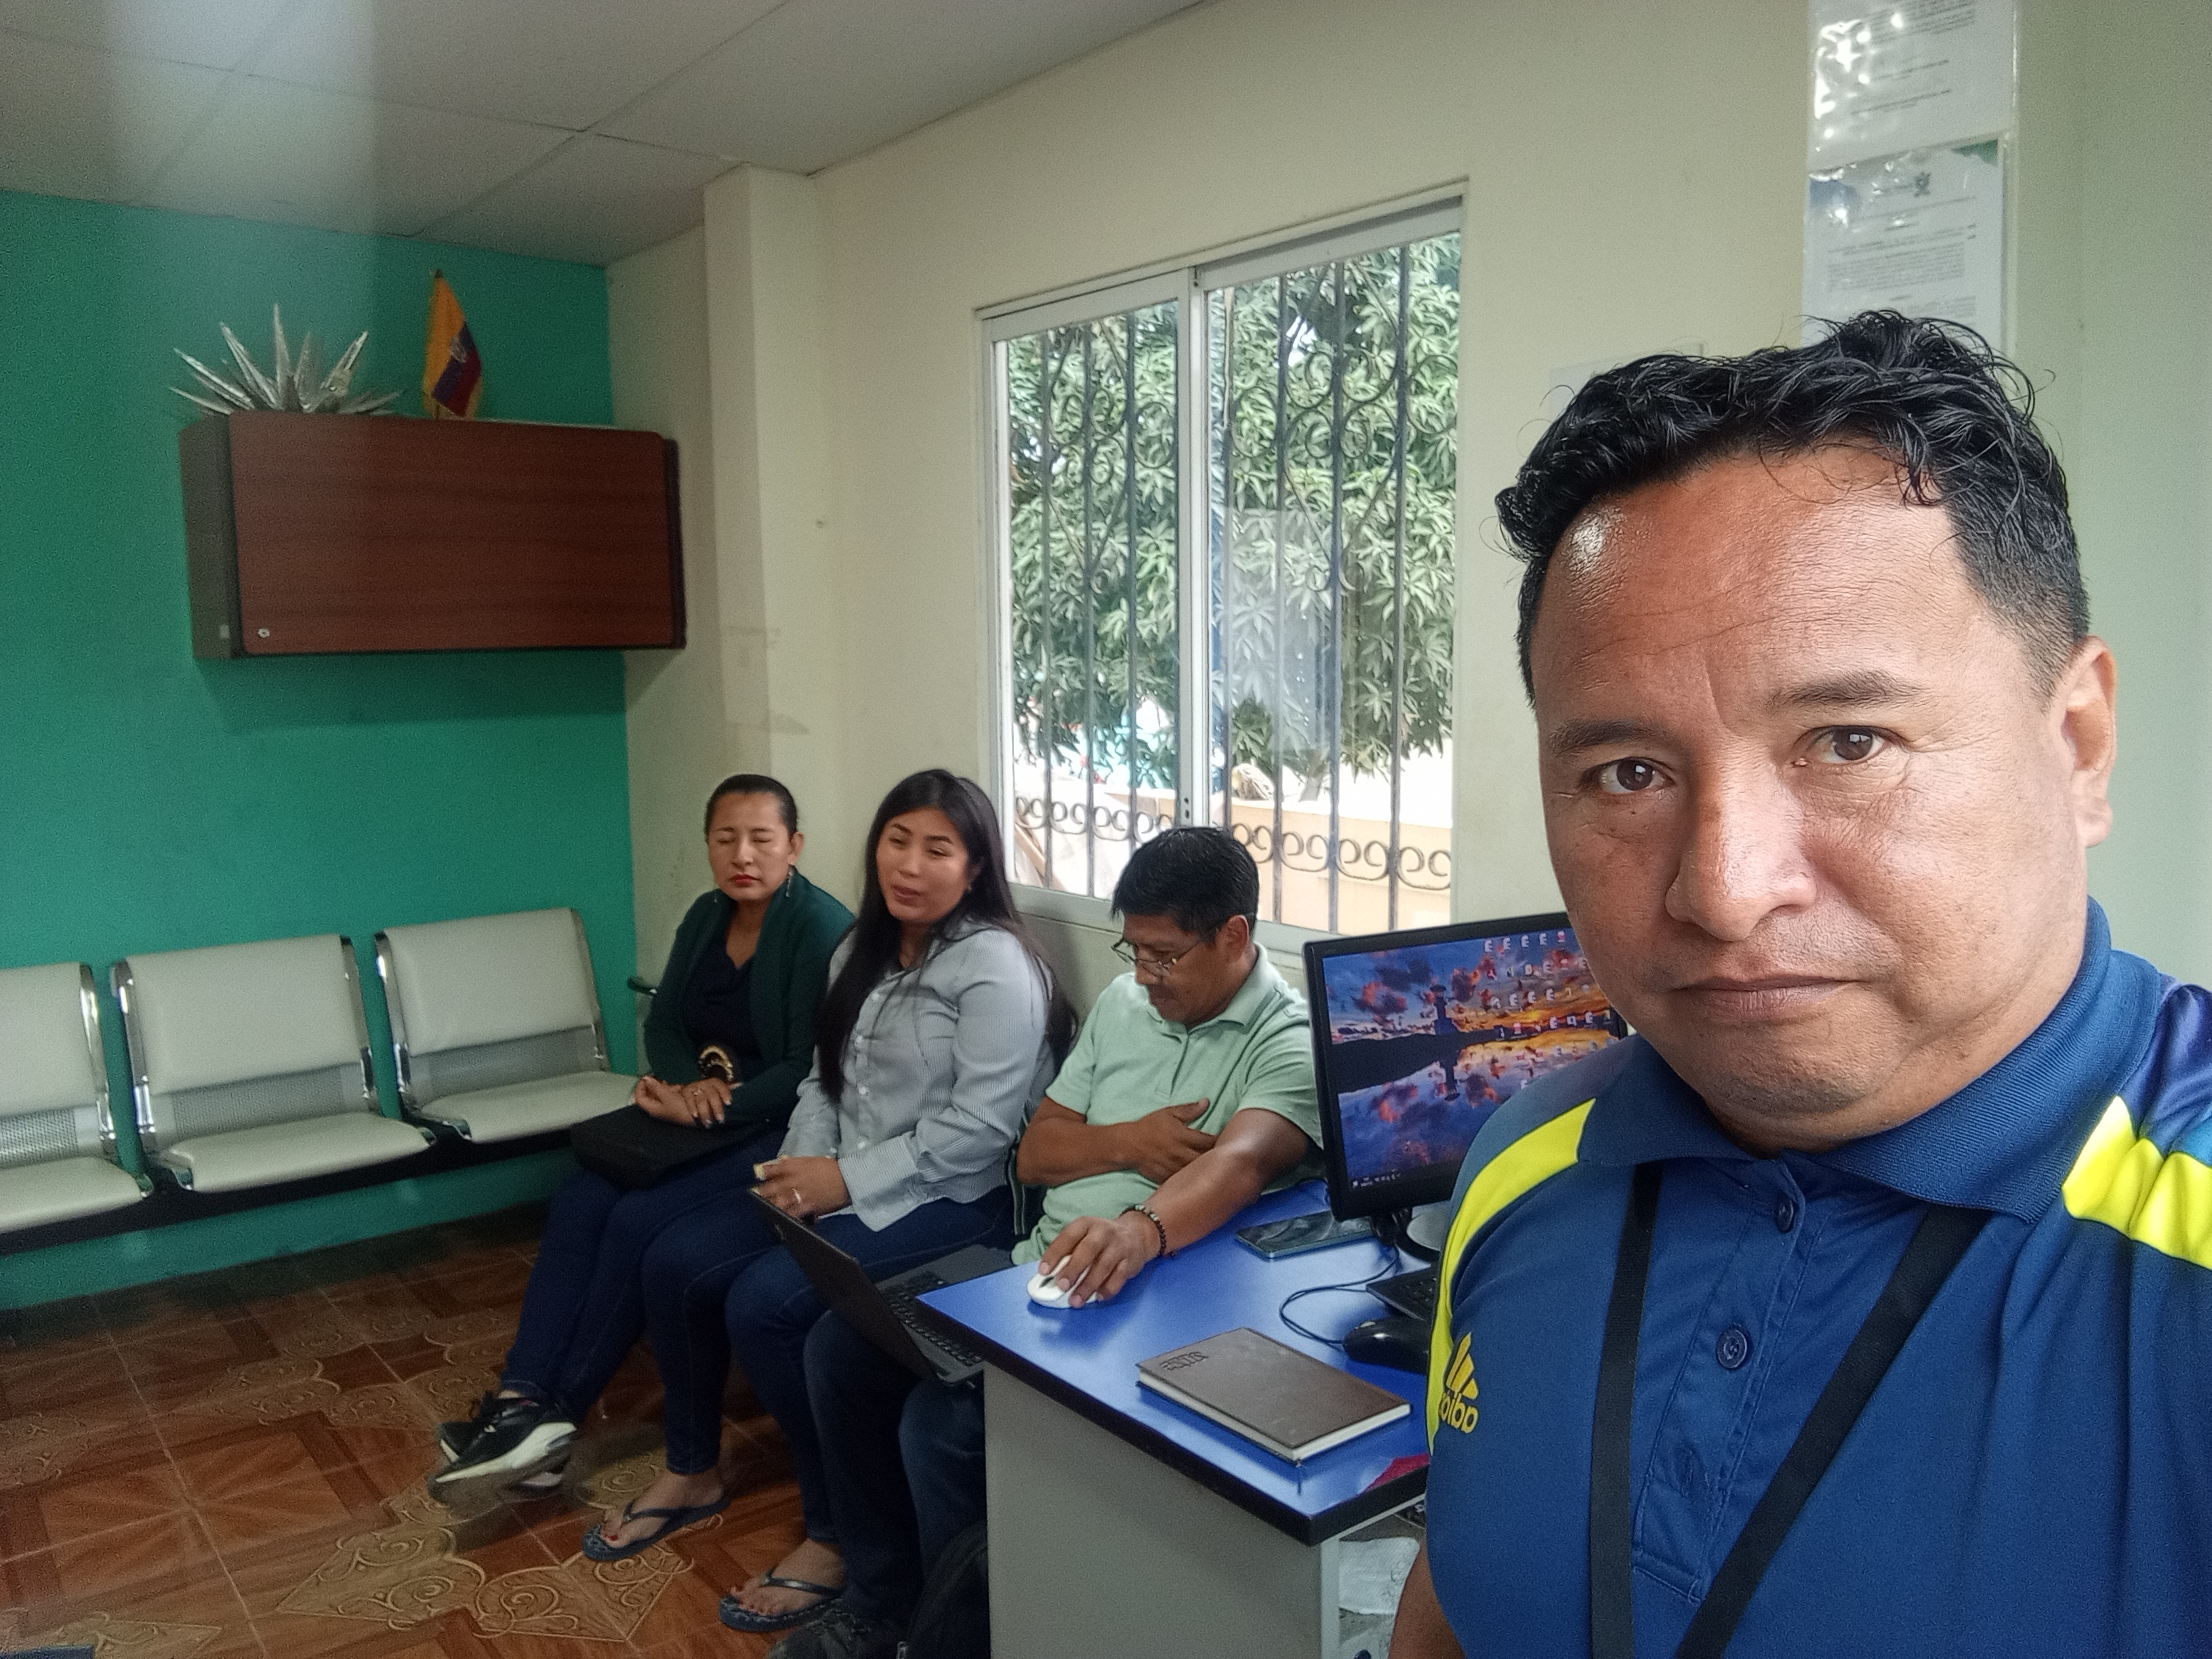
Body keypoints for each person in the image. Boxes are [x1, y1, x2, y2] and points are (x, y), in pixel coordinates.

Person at [1393, 313, 2212, 1658]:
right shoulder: (1521, 1163)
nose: (1722, 890)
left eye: (1847, 741)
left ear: (2076, 743)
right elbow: (1460, 1590)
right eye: (1627, 774)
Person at [774, 826, 1322, 1659]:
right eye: (1134, 950)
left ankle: (966, 1641)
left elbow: (1243, 1162)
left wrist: (1139, 1230)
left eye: (1165, 955)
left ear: (1235, 936)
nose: (1144, 973)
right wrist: (1132, 1141)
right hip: (1032, 1273)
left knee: (938, 1427)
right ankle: (883, 1604)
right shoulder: (1126, 1004)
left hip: (1141, 1298)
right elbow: (1036, 1154)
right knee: (837, 1348)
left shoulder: (1287, 1038)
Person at [577, 769, 1075, 1637]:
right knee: (676, 1260)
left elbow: (980, 1133)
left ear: (975, 867)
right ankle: (693, 1469)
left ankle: (836, 1532)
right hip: (844, 1178)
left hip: (960, 1201)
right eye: (897, 841)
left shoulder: (995, 965)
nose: (910, 865)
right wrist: (797, 1169)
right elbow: (822, 1081)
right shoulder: (861, 949)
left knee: (767, 1306)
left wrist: (843, 1182)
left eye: (938, 849)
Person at [432, 775, 853, 1492]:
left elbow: (803, 1068)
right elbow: (664, 1025)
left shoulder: (818, 927)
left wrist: (715, 1106)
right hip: (697, 1120)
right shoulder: (707, 914)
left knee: (635, 1219)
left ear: (795, 846)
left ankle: (556, 1417)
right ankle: (521, 1399)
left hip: (775, 1127)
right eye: (725, 839)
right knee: (579, 1198)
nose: (742, 855)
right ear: (708, 845)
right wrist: (686, 1088)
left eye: (762, 839)